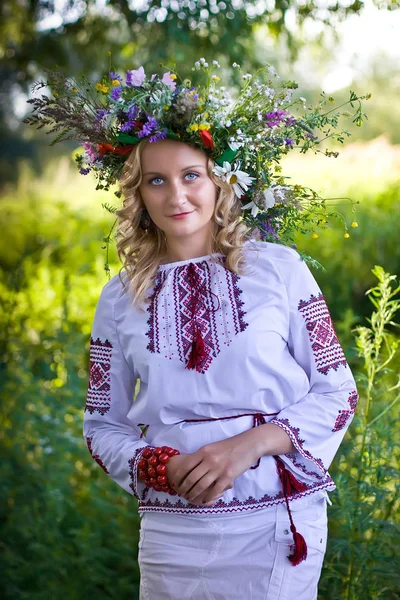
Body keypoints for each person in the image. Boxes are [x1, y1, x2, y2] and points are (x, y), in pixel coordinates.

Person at [25, 60, 362, 599]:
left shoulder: (279, 269)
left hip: (275, 520)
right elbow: (99, 425)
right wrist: (158, 465)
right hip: (171, 531)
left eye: (191, 176)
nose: (176, 196)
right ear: (138, 194)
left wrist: (246, 446)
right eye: (156, 180)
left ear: (219, 181)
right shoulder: (119, 296)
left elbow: (338, 392)